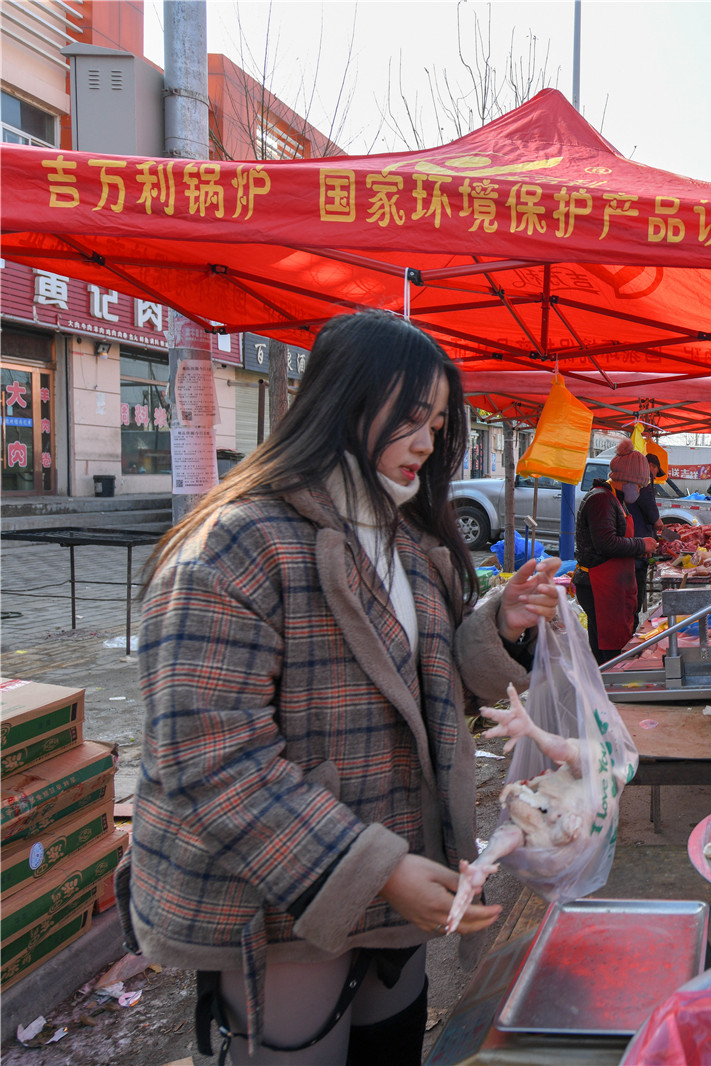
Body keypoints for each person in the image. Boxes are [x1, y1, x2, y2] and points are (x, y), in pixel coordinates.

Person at [123, 311, 566, 1065]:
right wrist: (376, 869)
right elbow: (207, 755)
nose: (427, 443)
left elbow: (428, 697)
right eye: (409, 418)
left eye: (436, 423)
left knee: (389, 1047)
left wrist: (499, 626)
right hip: (277, 903)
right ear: (343, 405)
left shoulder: (406, 543)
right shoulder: (237, 542)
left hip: (399, 881)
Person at [574, 440, 658, 664]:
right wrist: (641, 545)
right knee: (608, 655)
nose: (639, 491)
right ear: (628, 480)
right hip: (598, 585)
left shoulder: (615, 499)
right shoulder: (601, 499)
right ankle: (607, 691)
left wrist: (639, 550)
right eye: (639, 485)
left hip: (612, 585)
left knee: (616, 647)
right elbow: (606, 543)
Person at [627, 451, 668, 607]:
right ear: (651, 466)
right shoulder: (645, 475)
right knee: (638, 573)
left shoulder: (630, 477)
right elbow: (648, 501)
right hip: (639, 535)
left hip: (632, 533)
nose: (655, 476)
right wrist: (656, 520)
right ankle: (636, 606)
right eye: (656, 471)